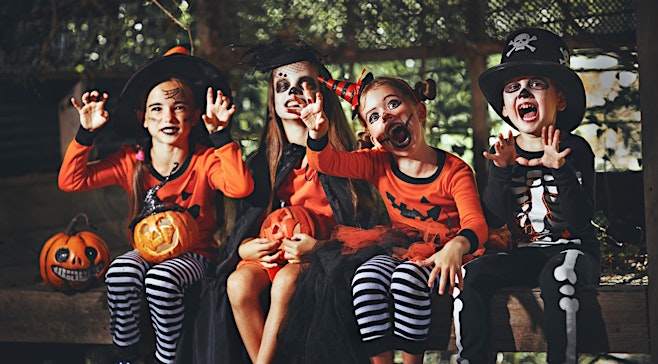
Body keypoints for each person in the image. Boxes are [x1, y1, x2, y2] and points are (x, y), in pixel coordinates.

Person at [173, 39, 386, 364]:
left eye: (304, 84)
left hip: (320, 257)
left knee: (287, 281)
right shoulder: (264, 163)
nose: (293, 93)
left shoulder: (346, 161)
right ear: (272, 99)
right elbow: (247, 224)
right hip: (272, 255)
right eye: (283, 86)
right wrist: (245, 249)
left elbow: (366, 230)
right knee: (238, 282)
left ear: (322, 95)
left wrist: (317, 249)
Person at [58, 53, 254, 364]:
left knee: (160, 281)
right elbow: (71, 181)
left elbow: (241, 187)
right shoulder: (130, 161)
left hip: (196, 255)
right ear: (143, 118)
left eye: (179, 108)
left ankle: (167, 358)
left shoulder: (204, 161)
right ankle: (127, 353)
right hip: (146, 252)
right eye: (157, 109)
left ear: (193, 117)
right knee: (120, 272)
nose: (169, 117)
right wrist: (86, 134)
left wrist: (220, 136)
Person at [296, 73, 488, 364]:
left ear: (419, 111)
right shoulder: (378, 164)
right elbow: (325, 162)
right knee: (365, 279)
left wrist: (457, 247)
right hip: (400, 245)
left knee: (405, 280)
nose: (384, 116)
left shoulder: (454, 171)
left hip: (446, 251)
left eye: (393, 104)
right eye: (373, 116)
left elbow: (476, 223)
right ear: (373, 136)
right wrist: (317, 134)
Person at [452, 27, 600, 364]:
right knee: (470, 275)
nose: (524, 94)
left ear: (559, 99)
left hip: (572, 252)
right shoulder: (501, 151)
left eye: (537, 84)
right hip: (523, 252)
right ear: (505, 107)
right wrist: (502, 172)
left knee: (560, 275)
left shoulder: (575, 149)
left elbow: (579, 221)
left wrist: (560, 170)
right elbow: (492, 219)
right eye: (514, 88)